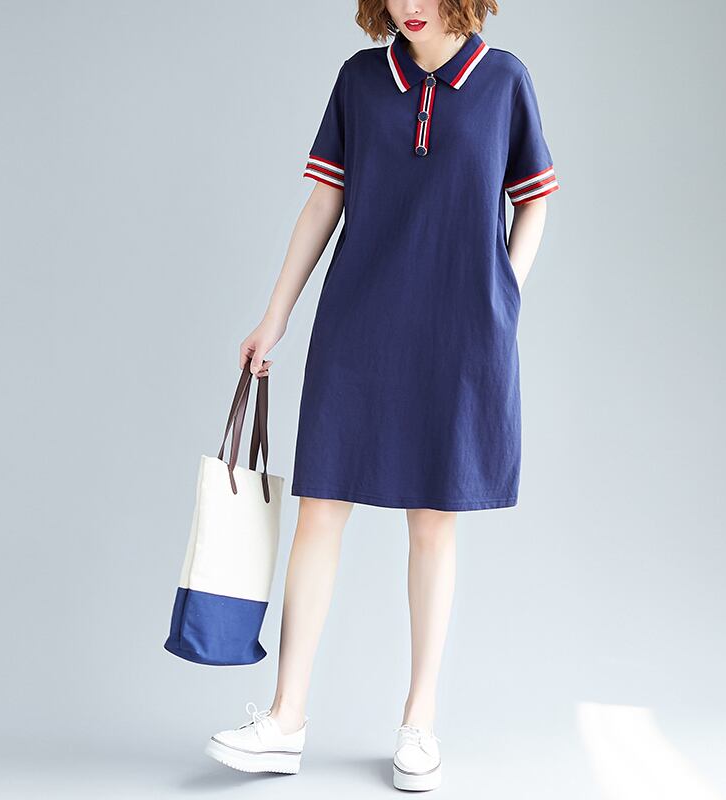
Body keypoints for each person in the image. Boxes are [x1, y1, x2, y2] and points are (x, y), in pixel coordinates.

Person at [204, 0, 559, 790]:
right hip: (358, 326)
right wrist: (275, 317)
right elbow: (323, 203)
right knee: (319, 511)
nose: (408, 7)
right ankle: (285, 718)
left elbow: (534, 197)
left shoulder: (504, 81)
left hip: (459, 334)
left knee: (433, 522)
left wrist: (504, 296)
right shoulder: (362, 81)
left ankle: (418, 724)